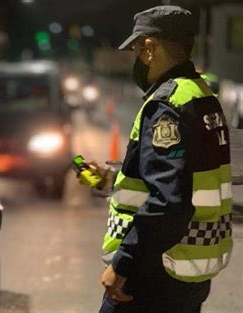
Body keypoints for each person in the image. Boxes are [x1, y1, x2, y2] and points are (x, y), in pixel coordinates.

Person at [78, 6, 233, 313]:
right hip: (189, 269)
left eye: (136, 48)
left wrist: (123, 265)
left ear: (149, 48)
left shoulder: (167, 104)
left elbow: (168, 201)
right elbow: (186, 176)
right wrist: (114, 179)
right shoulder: (202, 96)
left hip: (155, 271)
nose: (135, 57)